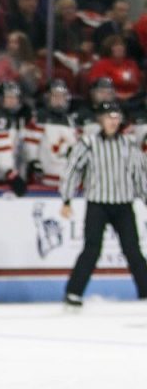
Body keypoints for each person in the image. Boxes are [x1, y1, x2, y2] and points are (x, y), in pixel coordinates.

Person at [59, 100, 147, 308]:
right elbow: (73, 169)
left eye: (116, 117)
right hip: (97, 204)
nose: (113, 121)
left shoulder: (128, 143)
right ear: (100, 120)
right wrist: (67, 199)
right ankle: (73, 292)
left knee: (132, 249)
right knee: (92, 249)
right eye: (109, 117)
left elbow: (139, 173)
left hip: (123, 204)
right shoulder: (88, 143)